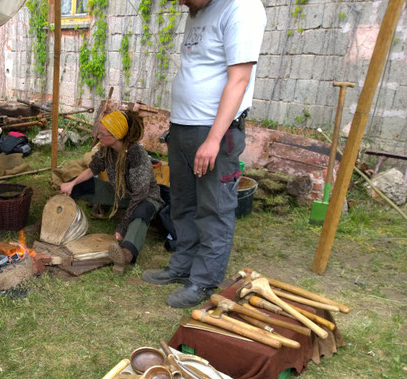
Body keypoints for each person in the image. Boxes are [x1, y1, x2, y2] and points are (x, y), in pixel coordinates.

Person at [141, 0, 266, 308]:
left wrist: (213, 139)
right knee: (183, 204)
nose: (181, 2)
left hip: (214, 132)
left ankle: (204, 280)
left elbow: (239, 80)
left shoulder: (242, 8)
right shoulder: (198, 9)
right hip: (183, 127)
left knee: (214, 209)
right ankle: (182, 265)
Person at [60, 109, 163, 273]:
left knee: (141, 213)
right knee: (78, 184)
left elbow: (139, 196)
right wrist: (72, 184)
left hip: (144, 197)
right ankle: (56, 222)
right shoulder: (106, 149)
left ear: (115, 136)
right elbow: (92, 169)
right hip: (119, 193)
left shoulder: (137, 154)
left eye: (102, 134)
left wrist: (122, 228)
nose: (98, 137)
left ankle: (126, 254)